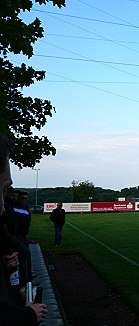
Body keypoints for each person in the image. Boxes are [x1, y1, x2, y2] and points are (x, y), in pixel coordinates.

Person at [0, 134, 47, 324]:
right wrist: (27, 316)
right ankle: (22, 284)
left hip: (21, 235)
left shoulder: (22, 209)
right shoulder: (13, 209)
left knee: (21, 255)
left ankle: (22, 282)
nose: (2, 206)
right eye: (3, 190)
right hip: (16, 236)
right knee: (24, 252)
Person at [13, 191, 33, 282]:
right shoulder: (14, 207)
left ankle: (29, 277)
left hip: (24, 235)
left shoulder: (26, 208)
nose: (24, 200)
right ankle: (24, 281)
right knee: (23, 257)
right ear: (18, 198)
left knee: (27, 256)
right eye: (22, 198)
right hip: (17, 236)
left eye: (26, 198)